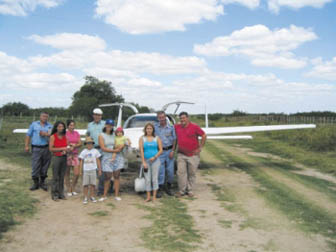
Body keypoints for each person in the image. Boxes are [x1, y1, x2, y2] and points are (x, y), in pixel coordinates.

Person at [174, 112, 206, 198]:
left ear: (188, 118)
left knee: (191, 173)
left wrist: (200, 148)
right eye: (181, 118)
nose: (182, 120)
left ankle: (190, 190)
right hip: (181, 154)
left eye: (184, 118)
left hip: (193, 154)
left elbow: (203, 135)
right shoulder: (177, 127)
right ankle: (181, 191)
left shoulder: (194, 127)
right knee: (181, 173)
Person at [25, 112, 52, 191]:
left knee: (45, 166)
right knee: (35, 165)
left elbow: (53, 136)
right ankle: (35, 183)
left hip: (46, 148)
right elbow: (28, 135)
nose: (45, 118)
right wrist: (26, 146)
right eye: (43, 116)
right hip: (36, 148)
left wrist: (46, 134)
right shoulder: (34, 124)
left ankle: (42, 182)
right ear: (40, 117)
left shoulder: (50, 126)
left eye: (46, 117)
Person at [98, 119, 124, 202]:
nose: (109, 127)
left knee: (117, 176)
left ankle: (116, 195)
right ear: (105, 125)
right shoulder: (101, 135)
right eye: (108, 125)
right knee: (107, 176)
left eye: (111, 126)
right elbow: (103, 148)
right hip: (106, 157)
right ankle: (104, 195)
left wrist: (121, 147)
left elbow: (121, 141)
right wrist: (114, 151)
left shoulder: (115, 134)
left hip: (117, 157)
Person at [139, 123, 163, 202]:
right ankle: (148, 197)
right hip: (146, 161)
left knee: (154, 179)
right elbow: (141, 151)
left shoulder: (157, 138)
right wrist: (143, 162)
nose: (149, 130)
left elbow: (161, 150)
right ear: (145, 130)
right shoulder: (142, 138)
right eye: (147, 128)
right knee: (147, 179)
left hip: (155, 161)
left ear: (153, 130)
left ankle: (154, 197)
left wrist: (155, 157)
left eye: (150, 128)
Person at [49, 121, 72, 201]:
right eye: (59, 127)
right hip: (56, 157)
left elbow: (68, 146)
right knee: (55, 176)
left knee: (62, 176)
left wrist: (67, 150)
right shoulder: (53, 136)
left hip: (64, 157)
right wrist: (62, 148)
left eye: (62, 127)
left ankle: (61, 193)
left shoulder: (65, 137)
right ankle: (54, 194)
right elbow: (51, 148)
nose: (61, 128)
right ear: (56, 127)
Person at [154, 111, 176, 196]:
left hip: (169, 151)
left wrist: (173, 150)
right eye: (160, 117)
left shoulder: (171, 127)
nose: (162, 119)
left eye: (163, 117)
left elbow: (174, 139)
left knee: (170, 171)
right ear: (158, 118)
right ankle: (160, 187)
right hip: (160, 151)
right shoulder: (155, 127)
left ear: (165, 117)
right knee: (160, 171)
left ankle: (169, 186)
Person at [86, 108, 105, 195]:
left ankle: (101, 189)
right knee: (96, 169)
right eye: (96, 115)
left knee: (103, 169)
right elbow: (88, 135)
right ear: (93, 115)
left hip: (104, 149)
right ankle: (99, 188)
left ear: (101, 116)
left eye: (99, 115)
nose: (97, 117)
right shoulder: (90, 125)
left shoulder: (105, 124)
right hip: (94, 149)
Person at [79, 136, 102, 204]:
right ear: (85, 144)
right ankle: (85, 196)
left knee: (93, 184)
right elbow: (81, 161)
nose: (89, 145)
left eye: (91, 143)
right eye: (88, 143)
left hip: (93, 170)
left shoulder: (95, 151)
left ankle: (92, 196)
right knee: (85, 184)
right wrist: (80, 171)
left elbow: (98, 161)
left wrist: (99, 170)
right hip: (86, 170)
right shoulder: (83, 152)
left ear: (93, 144)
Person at [65, 120, 82, 196]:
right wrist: (69, 146)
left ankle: (73, 187)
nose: (72, 126)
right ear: (68, 126)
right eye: (70, 125)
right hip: (67, 154)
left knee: (76, 173)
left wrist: (74, 146)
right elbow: (64, 142)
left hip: (75, 155)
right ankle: (69, 189)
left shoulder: (76, 133)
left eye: (73, 125)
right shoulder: (65, 133)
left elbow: (80, 143)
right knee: (67, 173)